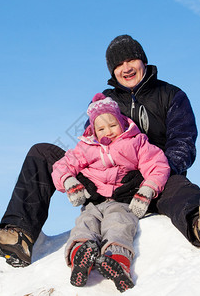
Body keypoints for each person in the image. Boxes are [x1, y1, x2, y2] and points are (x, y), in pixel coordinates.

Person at [0, 34, 200, 268]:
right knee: (41, 152)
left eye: (131, 60)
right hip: (102, 183)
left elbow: (183, 143)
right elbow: (88, 143)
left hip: (150, 183)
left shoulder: (171, 95)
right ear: (112, 71)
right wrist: (82, 178)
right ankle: (19, 236)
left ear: (143, 61)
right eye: (119, 64)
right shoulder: (103, 102)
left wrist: (152, 176)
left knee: (178, 183)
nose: (126, 68)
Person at [51, 93, 170, 292]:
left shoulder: (136, 142)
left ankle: (117, 260)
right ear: (93, 131)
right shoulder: (86, 147)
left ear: (122, 122)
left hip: (122, 200)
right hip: (93, 201)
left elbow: (157, 164)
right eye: (101, 128)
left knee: (119, 223)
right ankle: (81, 254)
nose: (108, 131)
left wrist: (148, 188)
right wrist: (69, 181)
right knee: (85, 223)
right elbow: (62, 166)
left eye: (113, 125)